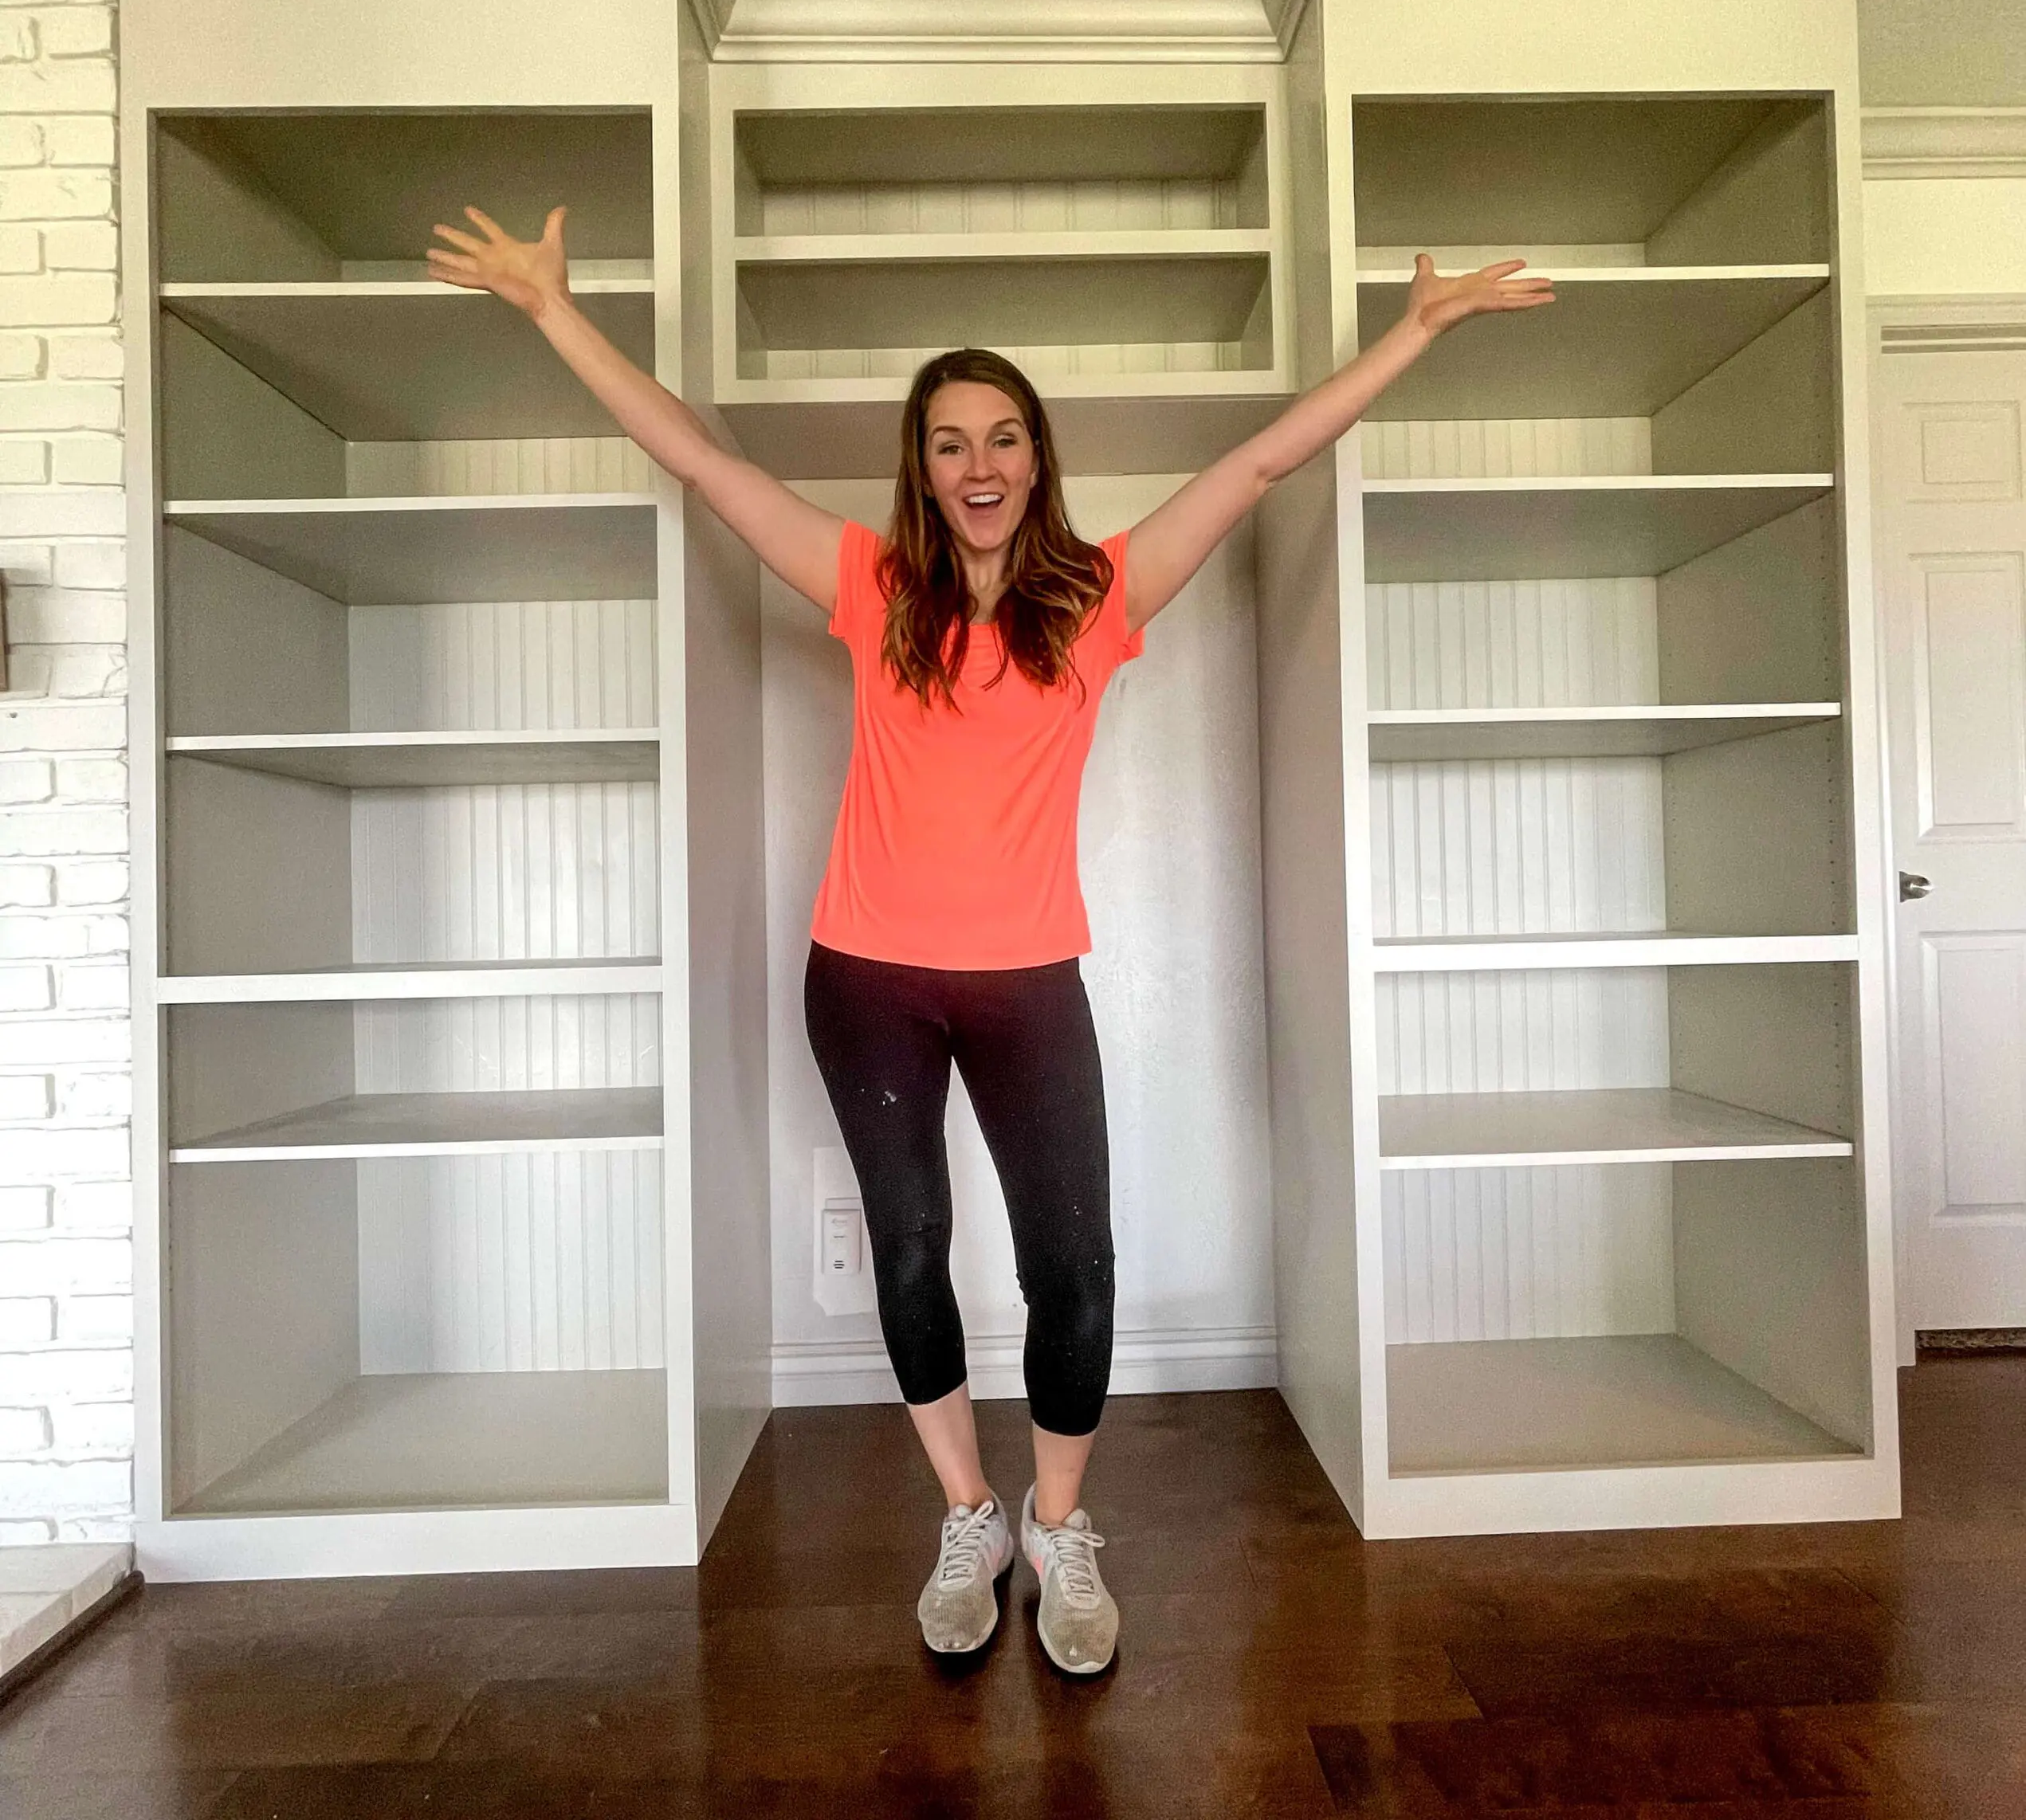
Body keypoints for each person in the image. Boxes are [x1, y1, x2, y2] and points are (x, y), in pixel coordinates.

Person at [427, 205, 1551, 1674]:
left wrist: (1414, 328)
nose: (979, 466)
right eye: (951, 441)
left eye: (1004, 437)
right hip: (866, 978)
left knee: (1070, 1263)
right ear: (922, 465)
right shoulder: (869, 588)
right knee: (909, 1251)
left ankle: (1059, 1529)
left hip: (1026, 980)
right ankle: (967, 1513)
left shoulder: (1097, 598)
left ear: (1038, 455)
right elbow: (701, 460)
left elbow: (1264, 460)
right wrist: (549, 310)